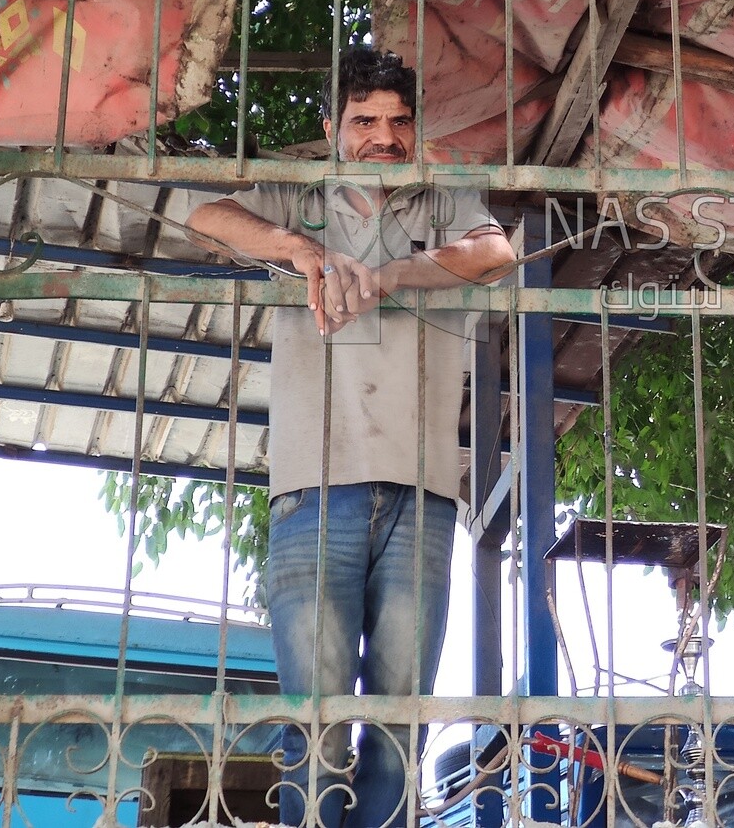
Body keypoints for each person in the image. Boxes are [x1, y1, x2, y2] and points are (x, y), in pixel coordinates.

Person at [186, 45, 515, 828]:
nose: (383, 137)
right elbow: (201, 212)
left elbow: (498, 252)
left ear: (417, 131)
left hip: (424, 496)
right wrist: (303, 250)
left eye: (399, 122)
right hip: (312, 490)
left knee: (400, 728)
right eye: (364, 120)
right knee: (319, 728)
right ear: (334, 127)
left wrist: (393, 274)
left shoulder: (446, 203)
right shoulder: (296, 200)